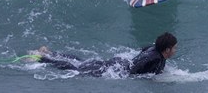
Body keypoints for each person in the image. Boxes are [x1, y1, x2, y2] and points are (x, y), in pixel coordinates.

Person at [29, 32, 177, 77]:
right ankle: (41, 58)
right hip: (115, 70)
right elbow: (135, 69)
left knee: (81, 62)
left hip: (118, 62)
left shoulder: (153, 49)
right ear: (167, 49)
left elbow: (141, 54)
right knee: (77, 69)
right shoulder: (157, 58)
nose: (175, 50)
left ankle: (49, 52)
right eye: (174, 48)